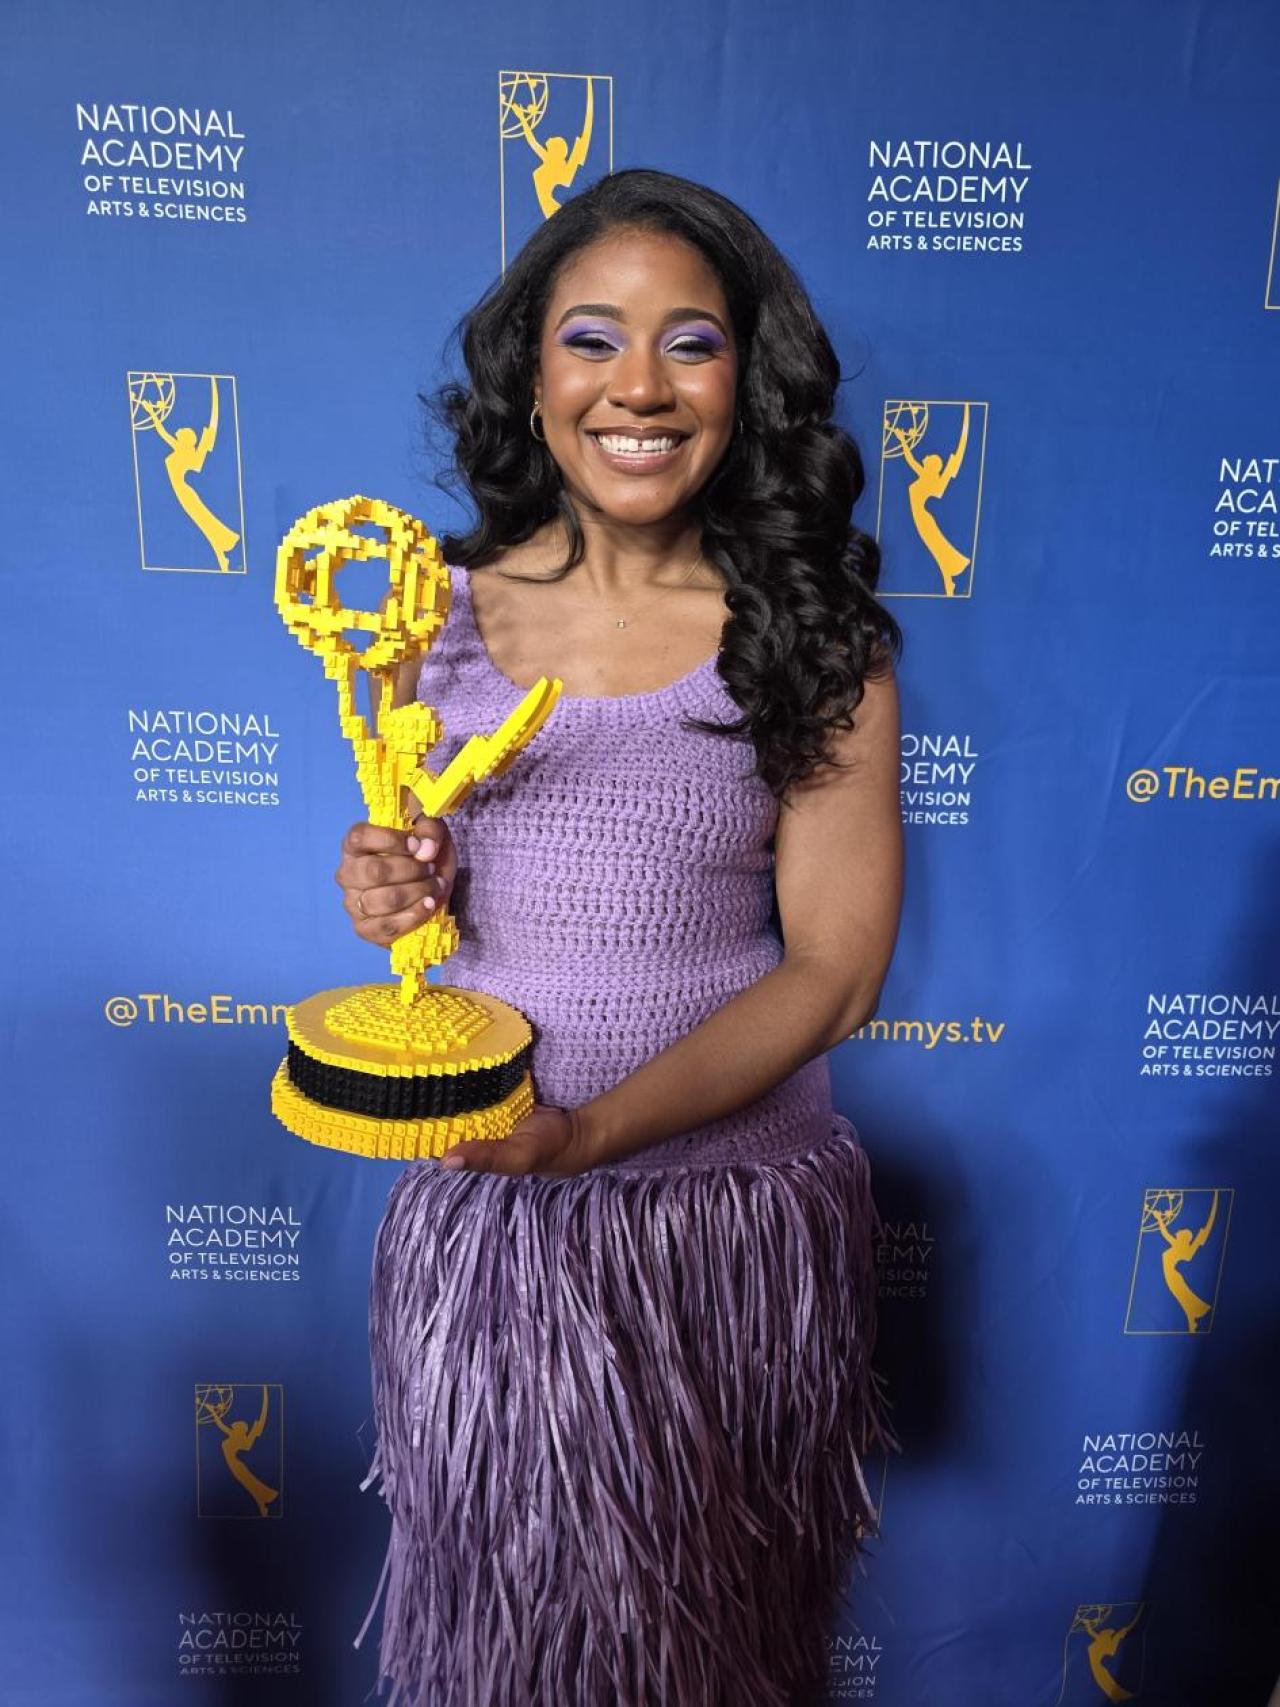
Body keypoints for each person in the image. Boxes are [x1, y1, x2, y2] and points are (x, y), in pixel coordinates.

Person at [337, 167, 905, 1707]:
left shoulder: (810, 638)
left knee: (718, 1641)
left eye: (692, 345)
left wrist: (594, 1136)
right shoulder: (419, 615)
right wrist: (389, 889)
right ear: (531, 375)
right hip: (494, 1227)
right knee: (509, 1645)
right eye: (594, 338)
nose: (638, 387)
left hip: (724, 1233)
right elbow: (427, 895)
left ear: (748, 383)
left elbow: (836, 969)